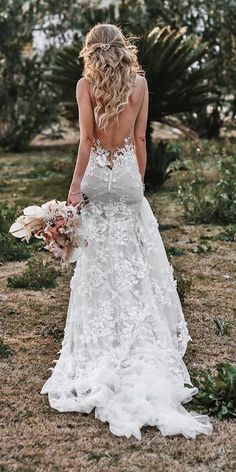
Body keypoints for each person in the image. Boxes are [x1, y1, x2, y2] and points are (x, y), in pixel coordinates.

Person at [40, 23, 213, 440]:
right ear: (123, 49)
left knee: (98, 260)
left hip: (97, 174)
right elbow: (139, 139)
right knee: (133, 259)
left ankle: (100, 344)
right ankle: (140, 338)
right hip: (128, 178)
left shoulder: (86, 85)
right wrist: (137, 182)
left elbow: (85, 140)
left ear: (90, 51)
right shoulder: (139, 84)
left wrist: (75, 187)